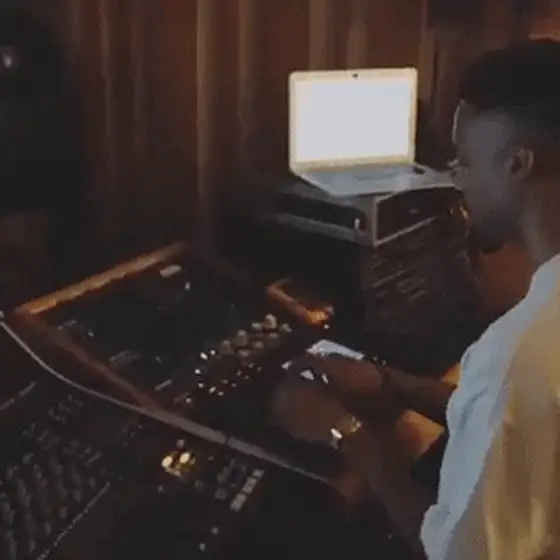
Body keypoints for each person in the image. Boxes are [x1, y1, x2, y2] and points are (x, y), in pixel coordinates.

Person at [273, 39, 560, 560]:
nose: (457, 179)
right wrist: (394, 384)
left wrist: (345, 431)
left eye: (465, 161)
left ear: (518, 164)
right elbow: (530, 422)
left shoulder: (518, 357)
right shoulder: (524, 359)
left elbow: (455, 554)